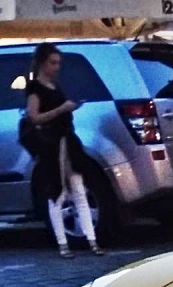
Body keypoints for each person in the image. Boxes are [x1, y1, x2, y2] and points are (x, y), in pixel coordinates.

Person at [26, 42, 103, 258]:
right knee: (57, 193)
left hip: (68, 142)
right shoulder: (35, 88)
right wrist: (62, 109)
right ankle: (63, 243)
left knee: (79, 189)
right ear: (42, 63)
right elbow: (35, 117)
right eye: (53, 62)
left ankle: (91, 240)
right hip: (52, 144)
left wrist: (70, 108)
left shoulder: (55, 86)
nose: (57, 67)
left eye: (58, 63)